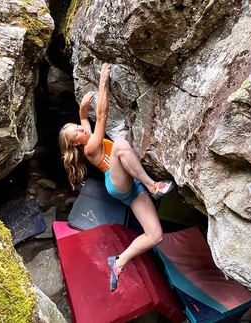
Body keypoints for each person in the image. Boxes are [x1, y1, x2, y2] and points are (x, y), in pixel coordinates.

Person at [58, 62, 176, 292]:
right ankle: (154, 186)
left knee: (156, 235)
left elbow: (87, 120)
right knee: (121, 145)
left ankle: (118, 262)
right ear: (75, 143)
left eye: (78, 127)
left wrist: (82, 110)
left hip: (130, 189)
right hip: (116, 182)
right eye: (77, 132)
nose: (82, 129)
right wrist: (103, 81)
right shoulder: (90, 147)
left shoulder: (87, 136)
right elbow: (101, 116)